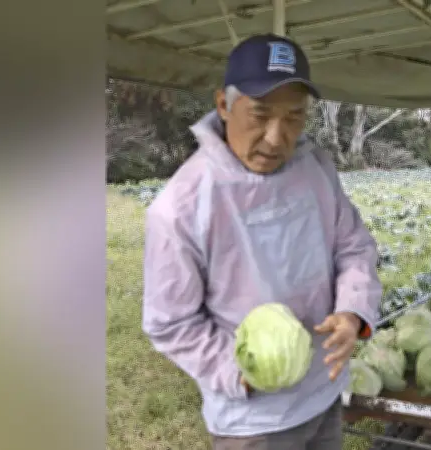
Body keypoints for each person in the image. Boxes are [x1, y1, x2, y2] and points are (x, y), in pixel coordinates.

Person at [141, 33, 383, 450]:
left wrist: (352, 311)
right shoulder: (182, 206)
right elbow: (171, 323)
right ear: (223, 105)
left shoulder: (315, 169)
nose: (275, 137)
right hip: (254, 420)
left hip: (323, 391)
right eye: (259, 114)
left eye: (293, 117)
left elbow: (353, 247)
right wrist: (243, 372)